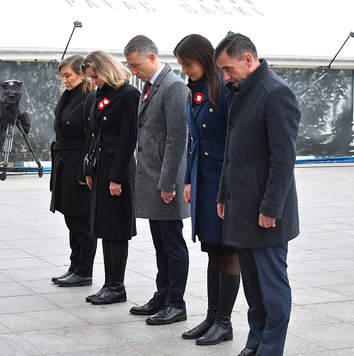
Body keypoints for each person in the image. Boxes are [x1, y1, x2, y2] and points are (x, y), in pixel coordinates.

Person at [214, 33, 301, 356]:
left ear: (248, 60)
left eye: (228, 69)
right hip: (241, 206)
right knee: (253, 287)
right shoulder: (239, 92)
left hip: (266, 213)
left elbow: (283, 159)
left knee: (272, 288)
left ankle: (270, 349)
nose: (224, 77)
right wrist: (223, 194)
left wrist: (271, 208)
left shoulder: (276, 94)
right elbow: (230, 150)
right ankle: (255, 343)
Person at [173, 34, 240, 346]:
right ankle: (212, 315)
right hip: (203, 178)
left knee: (226, 250)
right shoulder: (194, 91)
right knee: (212, 248)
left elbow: (233, 141)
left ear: (204, 58)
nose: (185, 70)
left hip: (221, 179)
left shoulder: (223, 91)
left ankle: (224, 322)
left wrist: (226, 187)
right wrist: (188, 179)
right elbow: (192, 140)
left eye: (189, 63)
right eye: (182, 65)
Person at [124, 35, 190, 325]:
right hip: (151, 177)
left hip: (164, 181)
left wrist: (167, 184)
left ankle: (176, 302)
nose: (133, 72)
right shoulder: (151, 86)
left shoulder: (174, 87)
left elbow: (177, 139)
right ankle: (163, 295)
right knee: (160, 244)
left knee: (172, 244)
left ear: (152, 57)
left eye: (136, 65)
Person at [80, 51, 140, 305]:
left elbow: (128, 140)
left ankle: (118, 286)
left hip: (119, 170)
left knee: (117, 228)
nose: (93, 82)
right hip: (102, 167)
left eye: (95, 76)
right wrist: (89, 170)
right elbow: (94, 135)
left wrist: (116, 177)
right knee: (104, 227)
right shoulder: (99, 95)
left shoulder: (128, 95)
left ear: (107, 70)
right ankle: (109, 282)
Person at [50, 55, 97, 287]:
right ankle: (74, 265)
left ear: (81, 73)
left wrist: (84, 169)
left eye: (67, 75)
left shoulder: (89, 96)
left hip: (78, 161)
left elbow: (91, 135)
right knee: (71, 218)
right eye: (63, 76)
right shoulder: (69, 95)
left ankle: (84, 270)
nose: (64, 80)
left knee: (82, 220)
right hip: (64, 161)